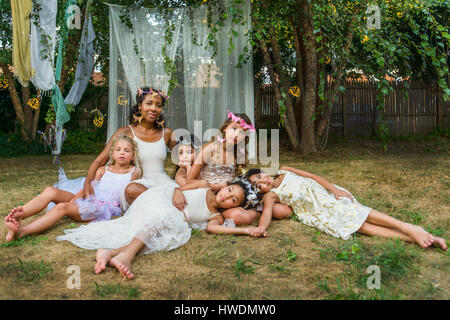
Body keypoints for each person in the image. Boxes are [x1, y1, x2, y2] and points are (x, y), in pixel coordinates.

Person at [56, 179, 263, 279]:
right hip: (160, 199)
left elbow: (213, 229)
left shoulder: (215, 216)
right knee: (164, 217)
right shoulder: (205, 186)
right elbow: (177, 186)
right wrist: (176, 191)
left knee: (161, 227)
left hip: (166, 217)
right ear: (225, 186)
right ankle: (125, 255)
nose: (226, 196)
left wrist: (245, 231)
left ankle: (112, 252)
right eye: (229, 190)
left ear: (233, 206)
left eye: (232, 199)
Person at [244, 167, 448, 251]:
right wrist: (261, 228)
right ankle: (417, 238)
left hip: (329, 197)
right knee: (362, 227)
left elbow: (314, 177)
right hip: (320, 212)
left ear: (264, 172)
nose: (263, 182)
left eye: (260, 176)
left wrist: (334, 189)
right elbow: (268, 213)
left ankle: (409, 227)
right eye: (258, 185)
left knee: (362, 214)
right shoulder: (272, 196)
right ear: (260, 193)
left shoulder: (285, 169)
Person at [4, 135, 141, 241]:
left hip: (102, 208)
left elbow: (130, 195)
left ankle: (22, 232)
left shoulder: (134, 172)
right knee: (51, 191)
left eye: (127, 150)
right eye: (118, 149)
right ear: (112, 153)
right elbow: (87, 190)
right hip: (90, 198)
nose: (122, 153)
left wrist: (68, 206)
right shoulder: (102, 170)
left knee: (62, 208)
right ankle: (20, 216)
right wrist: (73, 202)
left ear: (133, 155)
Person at [185, 110, 292, 226]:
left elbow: (236, 180)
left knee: (281, 211)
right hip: (213, 197)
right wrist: (216, 186)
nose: (236, 135)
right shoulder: (209, 149)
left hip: (233, 198)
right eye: (234, 128)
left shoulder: (238, 154)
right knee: (238, 217)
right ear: (225, 128)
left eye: (241, 133)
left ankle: (274, 200)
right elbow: (190, 180)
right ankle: (258, 211)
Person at [82, 87, 178, 212]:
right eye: (148, 103)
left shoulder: (167, 133)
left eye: (158, 105)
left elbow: (185, 158)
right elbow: (100, 161)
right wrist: (87, 183)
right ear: (139, 106)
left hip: (162, 183)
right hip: (138, 185)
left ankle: (163, 203)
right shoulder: (126, 132)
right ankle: (164, 204)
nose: (153, 108)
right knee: (133, 190)